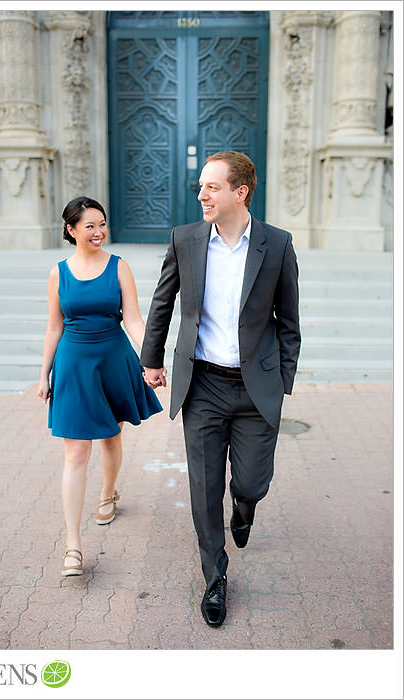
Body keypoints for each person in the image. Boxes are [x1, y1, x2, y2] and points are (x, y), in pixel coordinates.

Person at [140, 151, 301, 628]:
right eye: (201, 186)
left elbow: (289, 321)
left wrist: (283, 380)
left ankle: (245, 506)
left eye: (211, 187)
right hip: (204, 384)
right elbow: (163, 300)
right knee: (203, 488)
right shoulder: (185, 240)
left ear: (240, 192)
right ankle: (214, 576)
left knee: (250, 481)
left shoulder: (276, 244)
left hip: (256, 389)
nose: (201, 195)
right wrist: (151, 359)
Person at [38, 196, 163, 577]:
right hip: (74, 364)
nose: (98, 232)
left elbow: (135, 321)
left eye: (102, 224)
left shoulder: (119, 267)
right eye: (89, 225)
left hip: (114, 359)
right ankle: (73, 546)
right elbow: (54, 326)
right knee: (76, 452)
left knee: (111, 436)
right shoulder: (59, 272)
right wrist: (43, 374)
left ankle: (108, 493)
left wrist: (151, 358)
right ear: (71, 230)